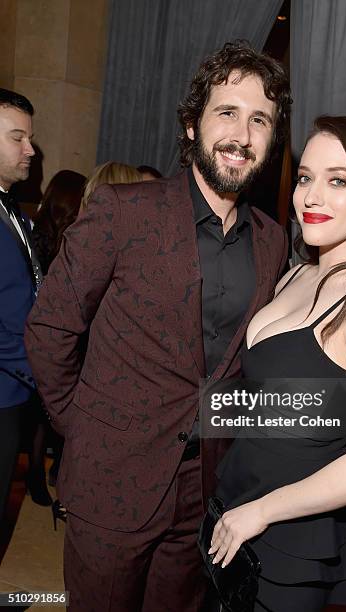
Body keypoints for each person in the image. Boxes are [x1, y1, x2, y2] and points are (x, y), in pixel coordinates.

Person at [25, 41, 291, 612]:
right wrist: (82, 425)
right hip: (111, 478)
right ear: (193, 124)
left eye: (259, 119)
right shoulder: (125, 211)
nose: (242, 134)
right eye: (227, 112)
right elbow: (50, 330)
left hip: (203, 490)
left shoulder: (273, 240)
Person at [208, 115, 346, 611]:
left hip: (288, 534)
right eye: (305, 177)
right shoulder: (296, 272)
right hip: (237, 502)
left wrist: (260, 512)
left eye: (338, 180)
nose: (310, 197)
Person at [28, 169, 86, 512]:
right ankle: (45, 472)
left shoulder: (40, 232)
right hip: (52, 333)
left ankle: (40, 471)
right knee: (44, 413)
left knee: (39, 412)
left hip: (40, 332)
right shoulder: (68, 237)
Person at [0, 88, 42, 522]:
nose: (30, 149)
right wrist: (42, 372)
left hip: (13, 389)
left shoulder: (16, 212)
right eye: (17, 137)